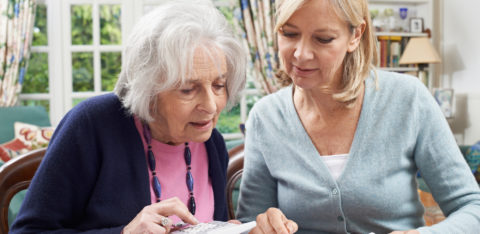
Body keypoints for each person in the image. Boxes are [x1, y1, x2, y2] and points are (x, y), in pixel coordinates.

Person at [236, 0, 480, 233]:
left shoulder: (408, 98)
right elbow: (250, 220)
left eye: (323, 39)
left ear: (355, 35)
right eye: (289, 34)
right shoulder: (265, 118)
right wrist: (262, 226)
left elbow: (472, 207)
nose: (301, 54)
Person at [10, 0, 246, 233]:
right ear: (149, 90)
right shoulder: (92, 125)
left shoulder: (211, 143)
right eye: (188, 89)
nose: (210, 106)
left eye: (218, 85)